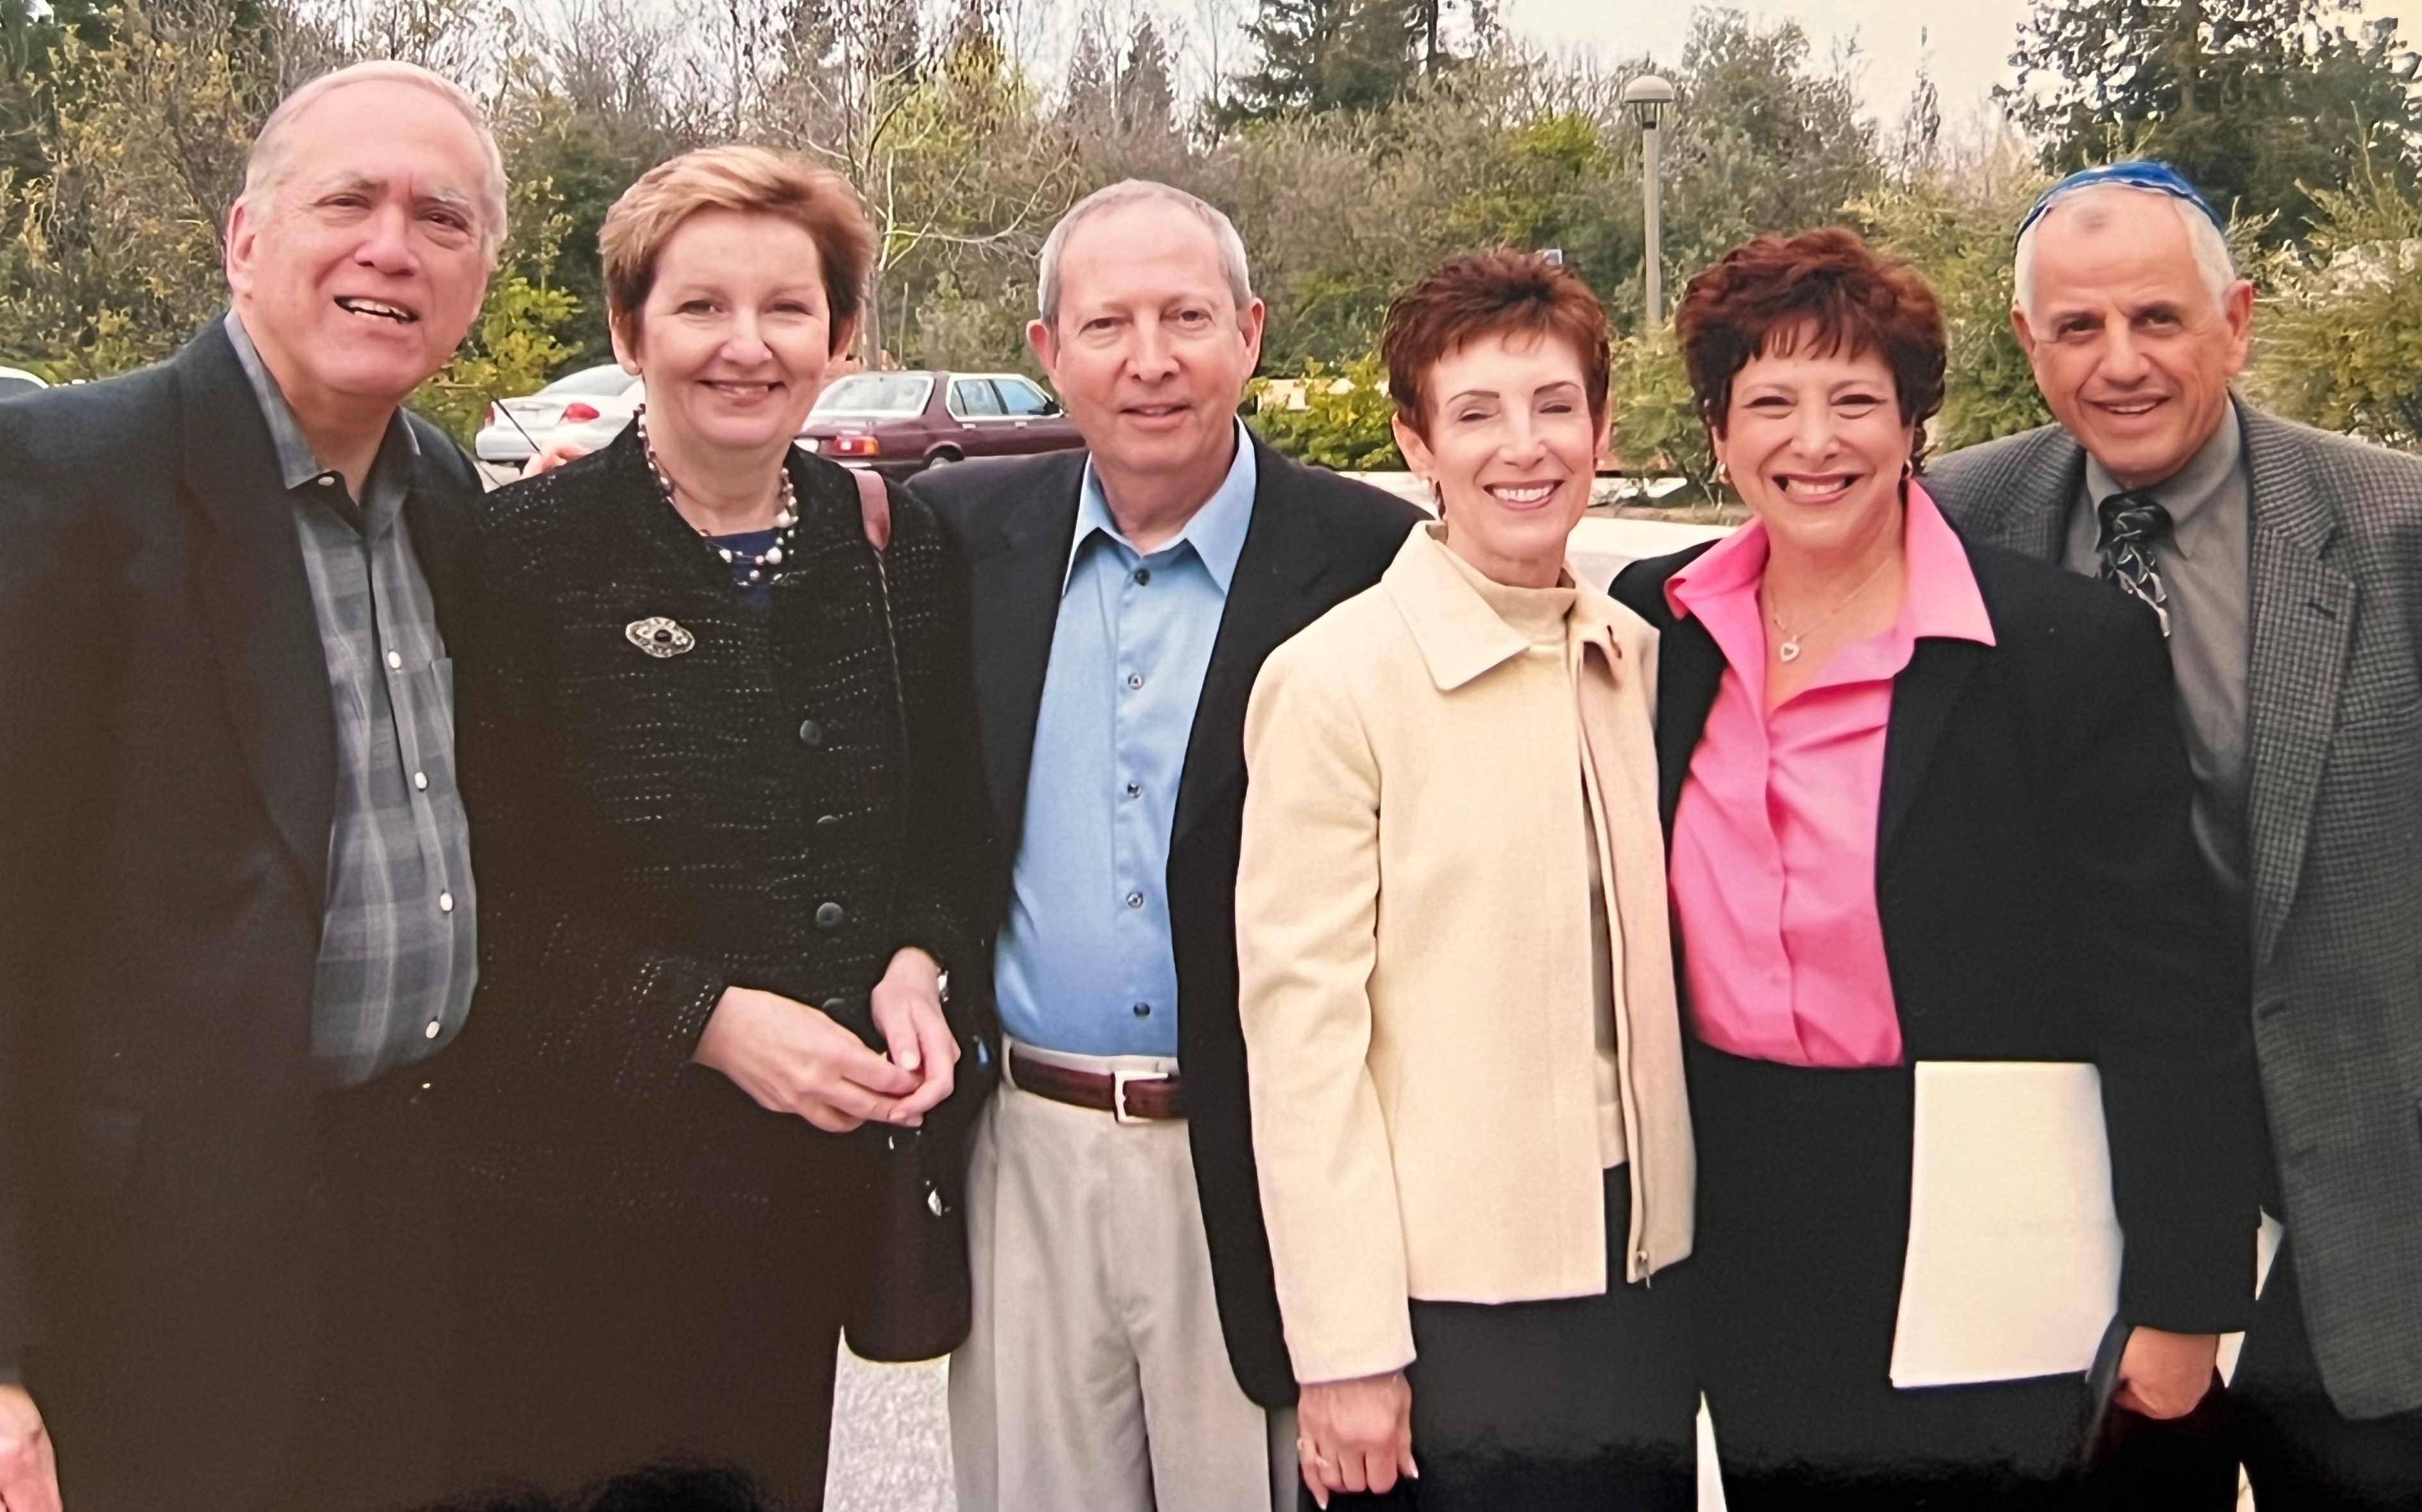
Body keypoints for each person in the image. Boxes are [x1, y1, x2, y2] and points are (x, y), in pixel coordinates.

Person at [1607, 227, 2257, 1508]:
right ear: (1718, 431)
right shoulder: (1653, 622)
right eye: (1770, 404)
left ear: (1912, 423)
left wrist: (2183, 1297)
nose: (1814, 441)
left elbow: (2162, 988)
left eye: (1855, 400)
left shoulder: (2056, 648)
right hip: (1739, 1212)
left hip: (1991, 1224)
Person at [444, 146, 987, 1508]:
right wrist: (707, 1021)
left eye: (786, 308)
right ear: (629, 330)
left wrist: (916, 961)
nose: (745, 346)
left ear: (840, 337)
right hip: (576, 1210)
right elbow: (483, 897)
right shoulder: (523, 559)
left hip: (801, 1216)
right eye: (699, 307)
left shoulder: (893, 546)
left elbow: (947, 837)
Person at [0, 60, 501, 1512]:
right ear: (244, 239)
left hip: (400, 1229)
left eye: (442, 219)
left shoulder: (444, 497)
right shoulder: (61, 484)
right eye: (348, 202)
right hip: (144, 1288)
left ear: (477, 276)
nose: (392, 248)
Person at [911, 180, 1422, 1512]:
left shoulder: (1371, 558)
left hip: (1257, 1159)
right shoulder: (956, 534)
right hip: (1027, 1151)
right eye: (1108, 324)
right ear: (1048, 353)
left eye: (1187, 317)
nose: (1149, 360)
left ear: (1248, 333)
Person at [1926, 160, 2422, 1510]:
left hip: (2365, 1207)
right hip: (2080, 1215)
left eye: (2156, 318)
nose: (2120, 362)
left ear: (2235, 321)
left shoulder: (2395, 530)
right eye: (2076, 327)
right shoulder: (1952, 524)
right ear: (2026, 341)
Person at [1236, 250, 1698, 1511]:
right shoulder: (1335, 682)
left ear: (1600, 430)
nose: (1522, 447)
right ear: (1416, 442)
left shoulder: (1628, 656)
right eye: (1476, 413)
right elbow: (1302, 1043)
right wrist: (1344, 1349)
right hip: (1447, 1301)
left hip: (1639, 1271)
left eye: (1554, 407)